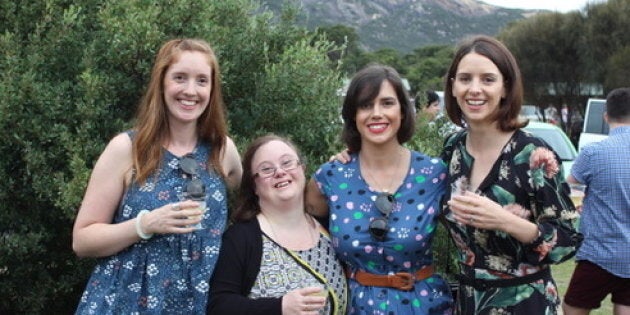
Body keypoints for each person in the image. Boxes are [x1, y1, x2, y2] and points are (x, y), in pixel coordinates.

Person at [72, 38, 243, 314]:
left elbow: (260, 200)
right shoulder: (127, 149)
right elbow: (82, 241)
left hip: (196, 305)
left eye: (202, 80)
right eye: (179, 78)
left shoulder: (222, 151)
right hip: (123, 304)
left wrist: (339, 159)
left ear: (212, 89)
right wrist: (146, 224)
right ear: (161, 82)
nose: (190, 90)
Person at [440, 35, 582, 314]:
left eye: (488, 79)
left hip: (526, 303)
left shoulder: (533, 154)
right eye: (465, 78)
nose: (475, 89)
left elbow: (567, 243)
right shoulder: (452, 150)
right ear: (453, 87)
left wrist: (505, 221)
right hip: (468, 303)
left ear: (505, 88)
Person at [306, 64, 454, 314]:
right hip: (354, 307)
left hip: (423, 306)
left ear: (403, 111)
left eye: (387, 103)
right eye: (365, 105)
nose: (376, 113)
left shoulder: (434, 174)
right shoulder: (330, 177)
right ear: (353, 114)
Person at [208, 134, 347, 315]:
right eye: (266, 169)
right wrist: (280, 307)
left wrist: (347, 161)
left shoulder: (330, 226)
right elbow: (218, 305)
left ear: (302, 169)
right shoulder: (240, 239)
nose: (280, 172)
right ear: (254, 186)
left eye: (287, 163)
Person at [562, 87, 630, 315]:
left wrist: (580, 202)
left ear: (606, 116)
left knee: (572, 308)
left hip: (598, 253)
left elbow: (568, 193)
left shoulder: (593, 153)